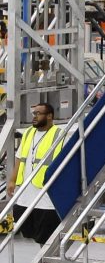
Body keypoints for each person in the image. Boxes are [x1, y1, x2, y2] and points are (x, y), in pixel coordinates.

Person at [12, 102, 65, 244]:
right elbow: (20, 157)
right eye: (33, 113)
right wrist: (12, 180)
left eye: (38, 113)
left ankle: (49, 259)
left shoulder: (59, 135)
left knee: (46, 237)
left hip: (45, 196)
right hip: (25, 194)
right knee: (28, 232)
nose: (34, 116)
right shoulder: (28, 132)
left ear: (49, 116)